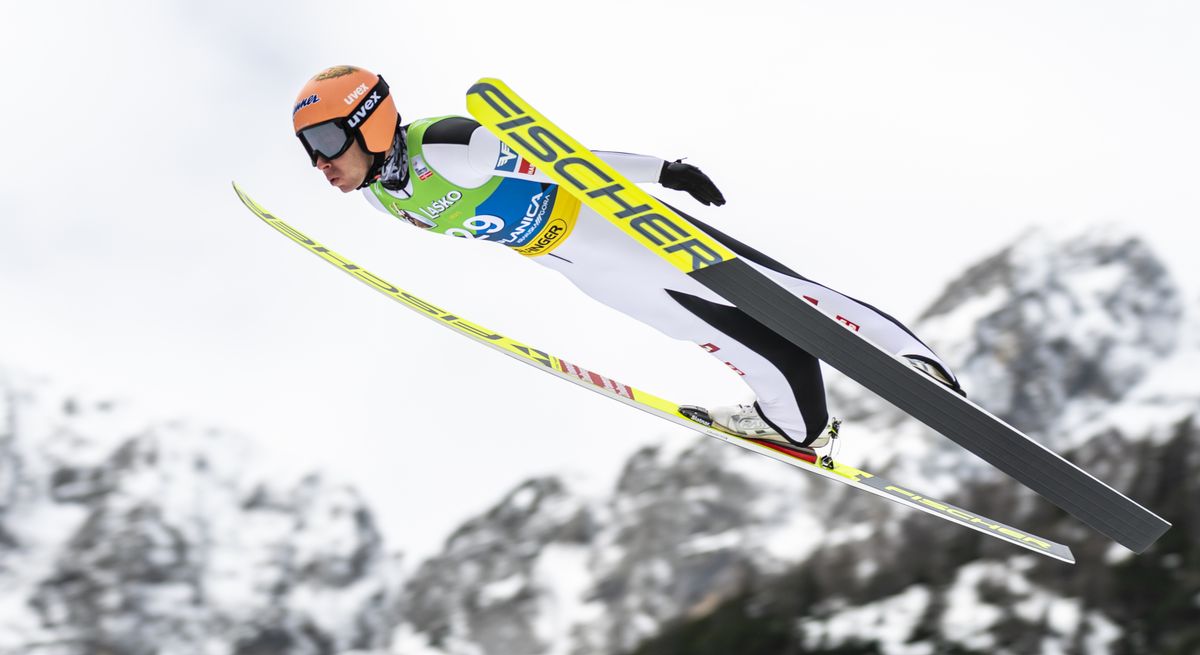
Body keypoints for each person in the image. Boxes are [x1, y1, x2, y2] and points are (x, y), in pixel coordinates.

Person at [291, 65, 964, 450]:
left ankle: (908, 359)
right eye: (307, 147)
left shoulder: (451, 146)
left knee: (770, 291)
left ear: (369, 118)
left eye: (325, 138)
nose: (320, 161)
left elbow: (568, 163)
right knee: (717, 332)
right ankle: (798, 422)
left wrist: (663, 172)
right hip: (580, 267)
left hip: (613, 227)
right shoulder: (386, 201)